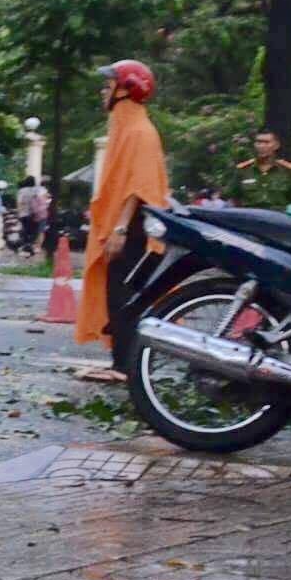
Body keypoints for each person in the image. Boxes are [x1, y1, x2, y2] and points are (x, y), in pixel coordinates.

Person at [77, 59, 169, 375]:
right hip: (127, 227)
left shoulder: (141, 132)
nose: (103, 92)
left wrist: (119, 229)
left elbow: (139, 187)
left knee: (124, 297)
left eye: (108, 86)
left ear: (125, 91)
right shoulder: (125, 128)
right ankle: (122, 364)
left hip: (134, 229)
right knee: (117, 294)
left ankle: (126, 367)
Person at [226, 129, 291, 209]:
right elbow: (232, 197)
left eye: (266, 142)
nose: (261, 146)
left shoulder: (288, 170)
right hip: (249, 215)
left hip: (277, 215)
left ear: (276, 145)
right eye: (258, 142)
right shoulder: (243, 170)